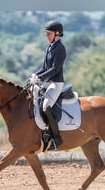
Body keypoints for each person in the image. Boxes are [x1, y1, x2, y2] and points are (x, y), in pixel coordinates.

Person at [29, 20, 67, 148]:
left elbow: (55, 69)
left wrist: (40, 77)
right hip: (47, 82)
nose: (47, 36)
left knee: (46, 107)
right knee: (33, 99)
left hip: (56, 83)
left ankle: (56, 138)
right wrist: (35, 75)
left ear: (57, 34)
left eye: (49, 33)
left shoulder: (60, 48)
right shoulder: (50, 47)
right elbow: (45, 67)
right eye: (46, 33)